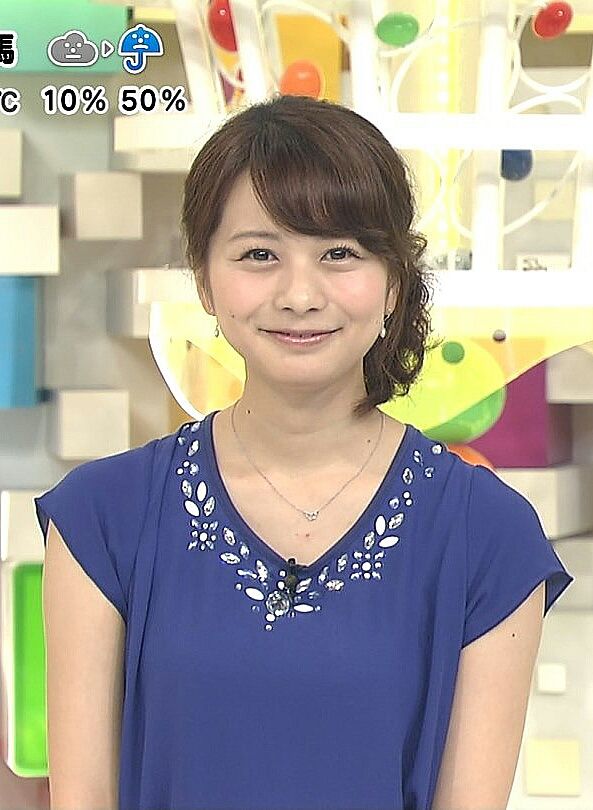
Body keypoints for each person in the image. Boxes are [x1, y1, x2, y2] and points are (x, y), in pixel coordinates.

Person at [36, 93, 574, 810]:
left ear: (393, 283)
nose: (298, 294)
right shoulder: (102, 517)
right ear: (204, 279)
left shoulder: (489, 533)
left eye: (339, 254)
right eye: (259, 254)